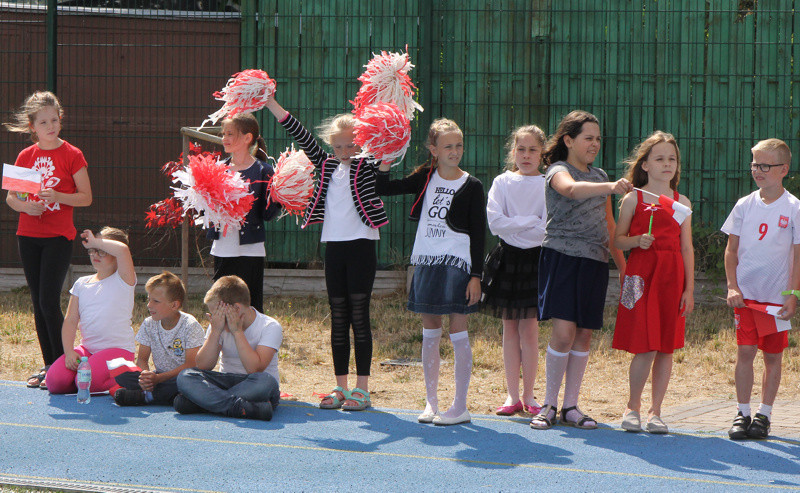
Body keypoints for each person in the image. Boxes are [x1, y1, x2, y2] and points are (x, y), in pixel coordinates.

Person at [264, 96, 387, 411]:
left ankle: (363, 388)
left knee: (359, 316)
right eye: (339, 147)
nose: (345, 152)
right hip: (334, 247)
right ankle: (341, 386)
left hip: (362, 245)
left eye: (351, 146)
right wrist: (272, 104)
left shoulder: (368, 165)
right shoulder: (328, 165)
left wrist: (390, 128)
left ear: (361, 144)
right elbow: (300, 133)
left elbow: (387, 154)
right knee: (338, 316)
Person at [376, 118, 486, 426]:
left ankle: (460, 405)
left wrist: (476, 275)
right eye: (448, 146)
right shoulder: (426, 176)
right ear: (433, 149)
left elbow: (479, 233)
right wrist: (385, 160)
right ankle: (431, 402)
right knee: (430, 330)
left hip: (458, 265)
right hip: (427, 261)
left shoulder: (472, 185)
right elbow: (384, 187)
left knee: (458, 330)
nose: (455, 151)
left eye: (459, 145)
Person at [530, 110, 632, 430]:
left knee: (584, 334)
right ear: (569, 140)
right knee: (563, 333)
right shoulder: (557, 171)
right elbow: (571, 189)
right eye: (588, 138)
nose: (595, 144)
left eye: (598, 138)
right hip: (561, 258)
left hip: (595, 263)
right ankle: (548, 404)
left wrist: (624, 269)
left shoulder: (601, 177)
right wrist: (612, 187)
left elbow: (610, 226)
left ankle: (571, 407)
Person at [3, 91, 92, 389]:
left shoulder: (72, 154)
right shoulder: (25, 156)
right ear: (32, 126)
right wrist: (26, 206)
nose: (51, 126)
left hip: (58, 236)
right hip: (28, 236)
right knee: (37, 302)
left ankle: (60, 364)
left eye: (54, 119)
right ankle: (47, 364)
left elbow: (86, 197)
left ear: (60, 119)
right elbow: (11, 198)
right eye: (43, 122)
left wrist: (58, 196)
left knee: (48, 300)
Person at [612, 131, 695, 434]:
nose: (667, 164)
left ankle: (655, 412)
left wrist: (689, 288)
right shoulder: (633, 198)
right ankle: (632, 407)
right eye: (659, 158)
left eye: (672, 159)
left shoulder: (681, 202)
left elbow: (687, 247)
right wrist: (637, 240)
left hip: (672, 278)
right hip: (641, 275)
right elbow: (618, 241)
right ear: (645, 164)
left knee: (666, 348)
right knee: (644, 346)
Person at [722, 138, 800, 440]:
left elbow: (796, 256)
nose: (758, 170)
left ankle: (764, 415)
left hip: (774, 301)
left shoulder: (794, 208)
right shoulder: (744, 205)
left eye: (765, 165)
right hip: (746, 298)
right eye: (755, 164)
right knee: (744, 352)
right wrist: (732, 286)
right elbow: (731, 251)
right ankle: (742, 412)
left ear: (784, 169)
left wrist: (793, 295)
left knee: (772, 357)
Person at [482, 125, 547, 416]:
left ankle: (530, 395)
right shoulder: (502, 182)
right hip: (506, 259)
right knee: (509, 329)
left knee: (530, 332)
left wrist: (518, 223)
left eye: (533, 149)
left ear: (542, 153)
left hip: (536, 261)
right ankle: (512, 397)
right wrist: (528, 221)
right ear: (513, 151)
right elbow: (496, 223)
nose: (526, 155)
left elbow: (546, 230)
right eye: (521, 149)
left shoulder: (548, 184)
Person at [175, 275, 282, 421]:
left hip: (254, 384)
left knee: (265, 382)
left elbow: (255, 369)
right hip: (224, 381)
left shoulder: (269, 326)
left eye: (218, 313)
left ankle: (204, 404)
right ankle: (243, 408)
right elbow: (203, 365)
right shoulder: (217, 325)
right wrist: (215, 331)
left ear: (236, 309)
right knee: (186, 376)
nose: (215, 317)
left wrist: (237, 332)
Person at [45, 227, 136, 394]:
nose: (95, 254)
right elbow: (71, 320)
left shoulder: (124, 279)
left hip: (118, 351)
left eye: (102, 251)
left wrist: (94, 241)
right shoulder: (82, 283)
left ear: (114, 254)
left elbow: (123, 250)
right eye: (93, 250)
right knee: (54, 382)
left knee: (85, 381)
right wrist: (69, 351)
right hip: (87, 351)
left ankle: (129, 372)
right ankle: (86, 376)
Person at [207, 112, 281, 314]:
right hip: (222, 247)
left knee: (251, 305)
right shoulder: (217, 169)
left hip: (251, 250)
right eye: (223, 134)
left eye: (230, 133)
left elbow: (268, 214)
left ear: (248, 138)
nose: (224, 138)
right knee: (221, 304)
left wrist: (281, 195)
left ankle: (253, 345)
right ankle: (223, 344)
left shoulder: (263, 170)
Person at [112, 271, 205, 406]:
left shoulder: (190, 324)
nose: (149, 305)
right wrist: (146, 376)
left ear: (174, 305)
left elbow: (191, 365)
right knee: (122, 373)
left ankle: (146, 396)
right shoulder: (149, 323)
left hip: (180, 379)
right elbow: (142, 359)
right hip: (158, 377)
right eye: (148, 299)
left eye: (155, 301)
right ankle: (152, 394)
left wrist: (158, 379)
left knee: (187, 381)